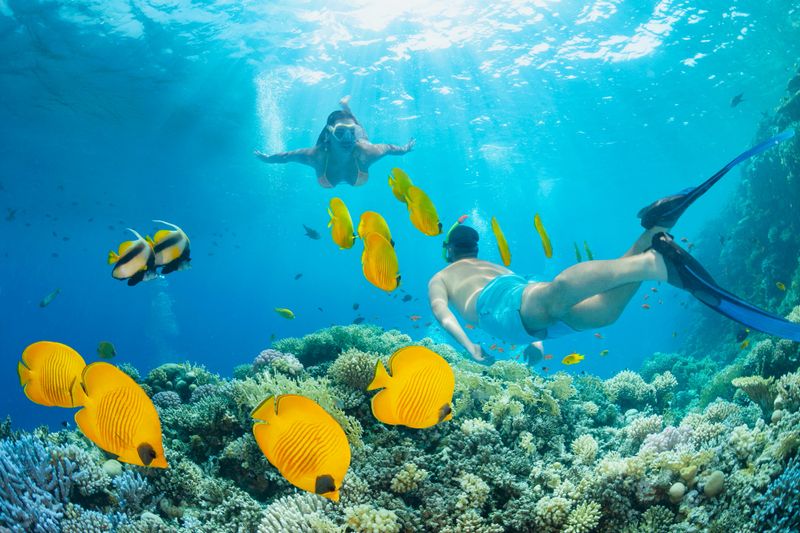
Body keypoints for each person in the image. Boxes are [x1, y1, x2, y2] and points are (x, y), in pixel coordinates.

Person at [428, 131, 799, 363]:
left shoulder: (441, 276)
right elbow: (529, 300)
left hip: (501, 309)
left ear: (449, 251)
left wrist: (469, 348)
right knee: (601, 312)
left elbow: (445, 316)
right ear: (474, 248)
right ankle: (652, 236)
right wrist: (537, 346)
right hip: (519, 303)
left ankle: (653, 266)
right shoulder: (490, 266)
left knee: (556, 296)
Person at [255, 96, 415, 188]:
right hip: (329, 146)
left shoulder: (367, 151)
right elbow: (286, 156)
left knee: (356, 127)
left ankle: (346, 108)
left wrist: (405, 149)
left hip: (360, 145)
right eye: (340, 132)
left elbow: (388, 148)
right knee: (352, 124)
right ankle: (345, 108)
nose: (347, 138)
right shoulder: (316, 155)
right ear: (330, 134)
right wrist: (269, 159)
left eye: (351, 133)